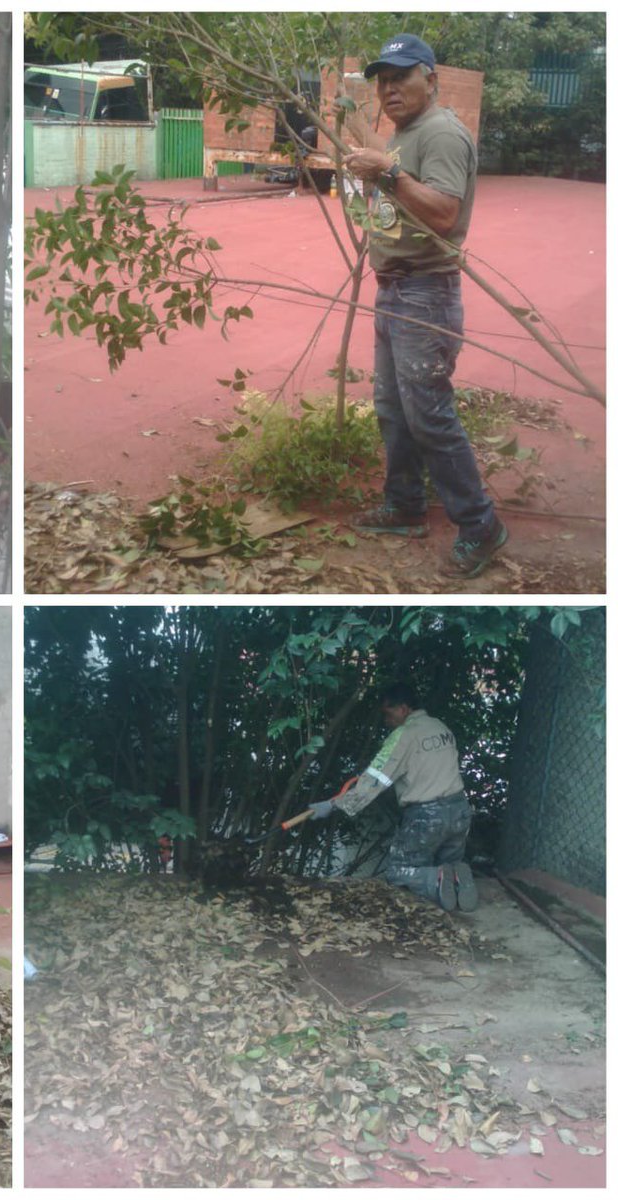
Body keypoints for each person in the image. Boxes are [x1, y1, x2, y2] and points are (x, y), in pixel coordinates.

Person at [342, 34, 508, 580]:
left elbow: (441, 214)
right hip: (394, 289)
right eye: (382, 81)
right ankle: (406, 504)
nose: (389, 89)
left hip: (425, 291)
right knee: (393, 408)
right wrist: (354, 132)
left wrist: (386, 173)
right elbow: (387, 182)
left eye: (400, 77)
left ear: (430, 79)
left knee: (430, 414)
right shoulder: (406, 133)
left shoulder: (441, 134)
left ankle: (480, 524)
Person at [309, 681, 478, 913]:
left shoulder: (404, 735)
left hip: (427, 816)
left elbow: (375, 780)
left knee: (400, 872)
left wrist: (333, 804)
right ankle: (455, 872)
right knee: (446, 865)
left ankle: (437, 878)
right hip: (459, 810)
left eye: (388, 714)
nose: (387, 722)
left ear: (403, 708)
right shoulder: (440, 727)